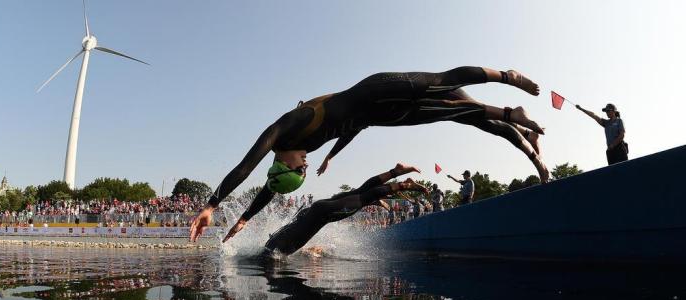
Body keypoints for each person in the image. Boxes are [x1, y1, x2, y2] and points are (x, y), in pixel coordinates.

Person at [190, 66, 548, 243]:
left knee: (445, 82)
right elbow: (271, 186)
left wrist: (211, 205)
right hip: (384, 116)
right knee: (464, 115)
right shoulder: (302, 152)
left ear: (284, 163)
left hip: (377, 90)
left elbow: (246, 166)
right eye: (305, 170)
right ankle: (531, 149)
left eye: (299, 169)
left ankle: (506, 77)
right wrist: (246, 218)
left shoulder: (289, 126)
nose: (305, 166)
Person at [263, 163, 428, 257]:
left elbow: (296, 237)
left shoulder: (275, 252)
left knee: (362, 199)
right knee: (358, 192)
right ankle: (395, 171)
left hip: (321, 214)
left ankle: (404, 185)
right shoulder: (271, 244)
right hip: (315, 209)